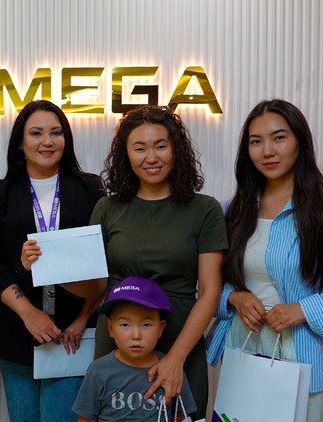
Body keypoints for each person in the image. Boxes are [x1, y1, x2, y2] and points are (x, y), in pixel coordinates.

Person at [206, 99, 323, 421]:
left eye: (279, 138)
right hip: (241, 353)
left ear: (301, 142)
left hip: (304, 363)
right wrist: (234, 297)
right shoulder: (231, 211)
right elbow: (204, 284)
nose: (267, 151)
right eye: (256, 141)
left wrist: (304, 309)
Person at [91, 106, 227, 420]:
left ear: (176, 149)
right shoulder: (106, 208)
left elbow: (210, 292)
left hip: (180, 337)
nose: (151, 157)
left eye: (161, 146)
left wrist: (175, 358)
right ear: (126, 155)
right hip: (117, 340)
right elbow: (95, 287)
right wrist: (47, 264)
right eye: (140, 148)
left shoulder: (205, 209)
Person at [0, 100, 106, 421]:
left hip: (72, 333)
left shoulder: (90, 188)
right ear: (20, 142)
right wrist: (29, 313)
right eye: (36, 133)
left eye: (56, 133)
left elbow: (101, 260)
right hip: (17, 331)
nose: (47, 141)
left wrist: (83, 318)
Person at [73, 276, 195, 421]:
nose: (136, 335)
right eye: (125, 325)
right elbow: (85, 419)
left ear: (160, 328)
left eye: (146, 325)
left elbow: (181, 417)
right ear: (111, 328)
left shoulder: (171, 370)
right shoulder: (98, 371)